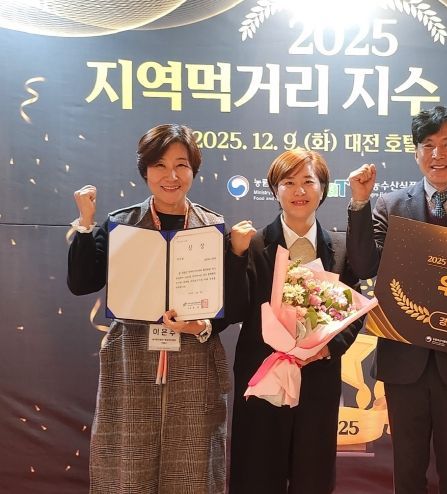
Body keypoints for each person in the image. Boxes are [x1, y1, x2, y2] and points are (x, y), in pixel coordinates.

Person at [346, 105, 447, 494]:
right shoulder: (389, 205)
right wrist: (360, 203)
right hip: (404, 363)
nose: (438, 154)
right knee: (407, 472)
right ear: (416, 152)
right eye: (428, 144)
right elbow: (365, 266)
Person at [67, 124, 231, 494]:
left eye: (181, 165)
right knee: (128, 466)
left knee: (192, 468)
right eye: (160, 165)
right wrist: (86, 223)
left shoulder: (212, 227)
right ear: (145, 171)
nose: (171, 176)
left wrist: (202, 325)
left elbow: (229, 305)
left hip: (194, 362)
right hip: (132, 357)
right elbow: (82, 283)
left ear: (193, 170)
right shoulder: (122, 224)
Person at [227, 148, 362, 494]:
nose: (299, 191)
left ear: (323, 189)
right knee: (256, 477)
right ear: (275, 190)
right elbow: (235, 309)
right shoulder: (252, 245)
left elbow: (353, 314)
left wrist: (327, 348)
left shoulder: (342, 249)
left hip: (318, 382)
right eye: (288, 182)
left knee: (312, 479)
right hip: (262, 379)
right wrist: (236, 257)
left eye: (308, 182)